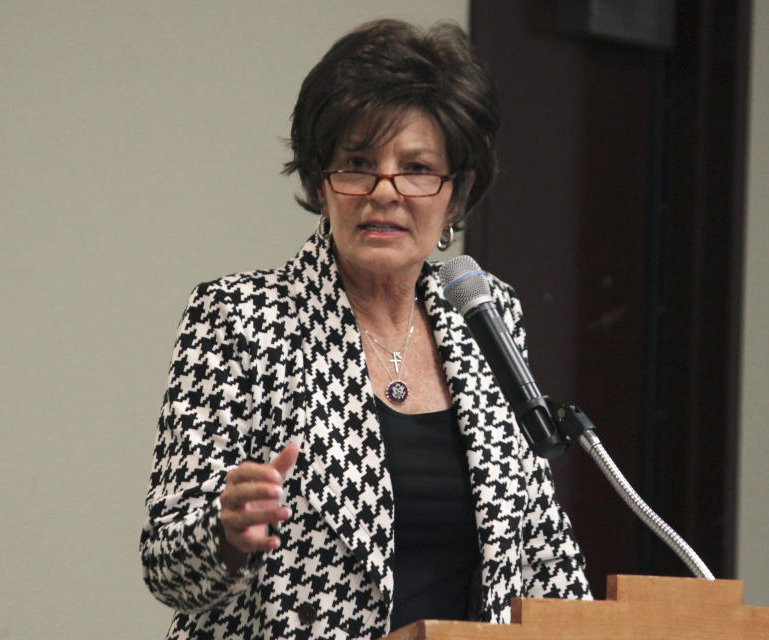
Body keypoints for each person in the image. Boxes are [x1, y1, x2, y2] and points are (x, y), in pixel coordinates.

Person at [140, 19, 590, 639]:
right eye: (357, 164)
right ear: (320, 183)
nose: (385, 191)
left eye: (417, 168)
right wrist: (226, 533)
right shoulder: (240, 319)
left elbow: (538, 545)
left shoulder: (486, 318)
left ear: (455, 195)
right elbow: (165, 564)